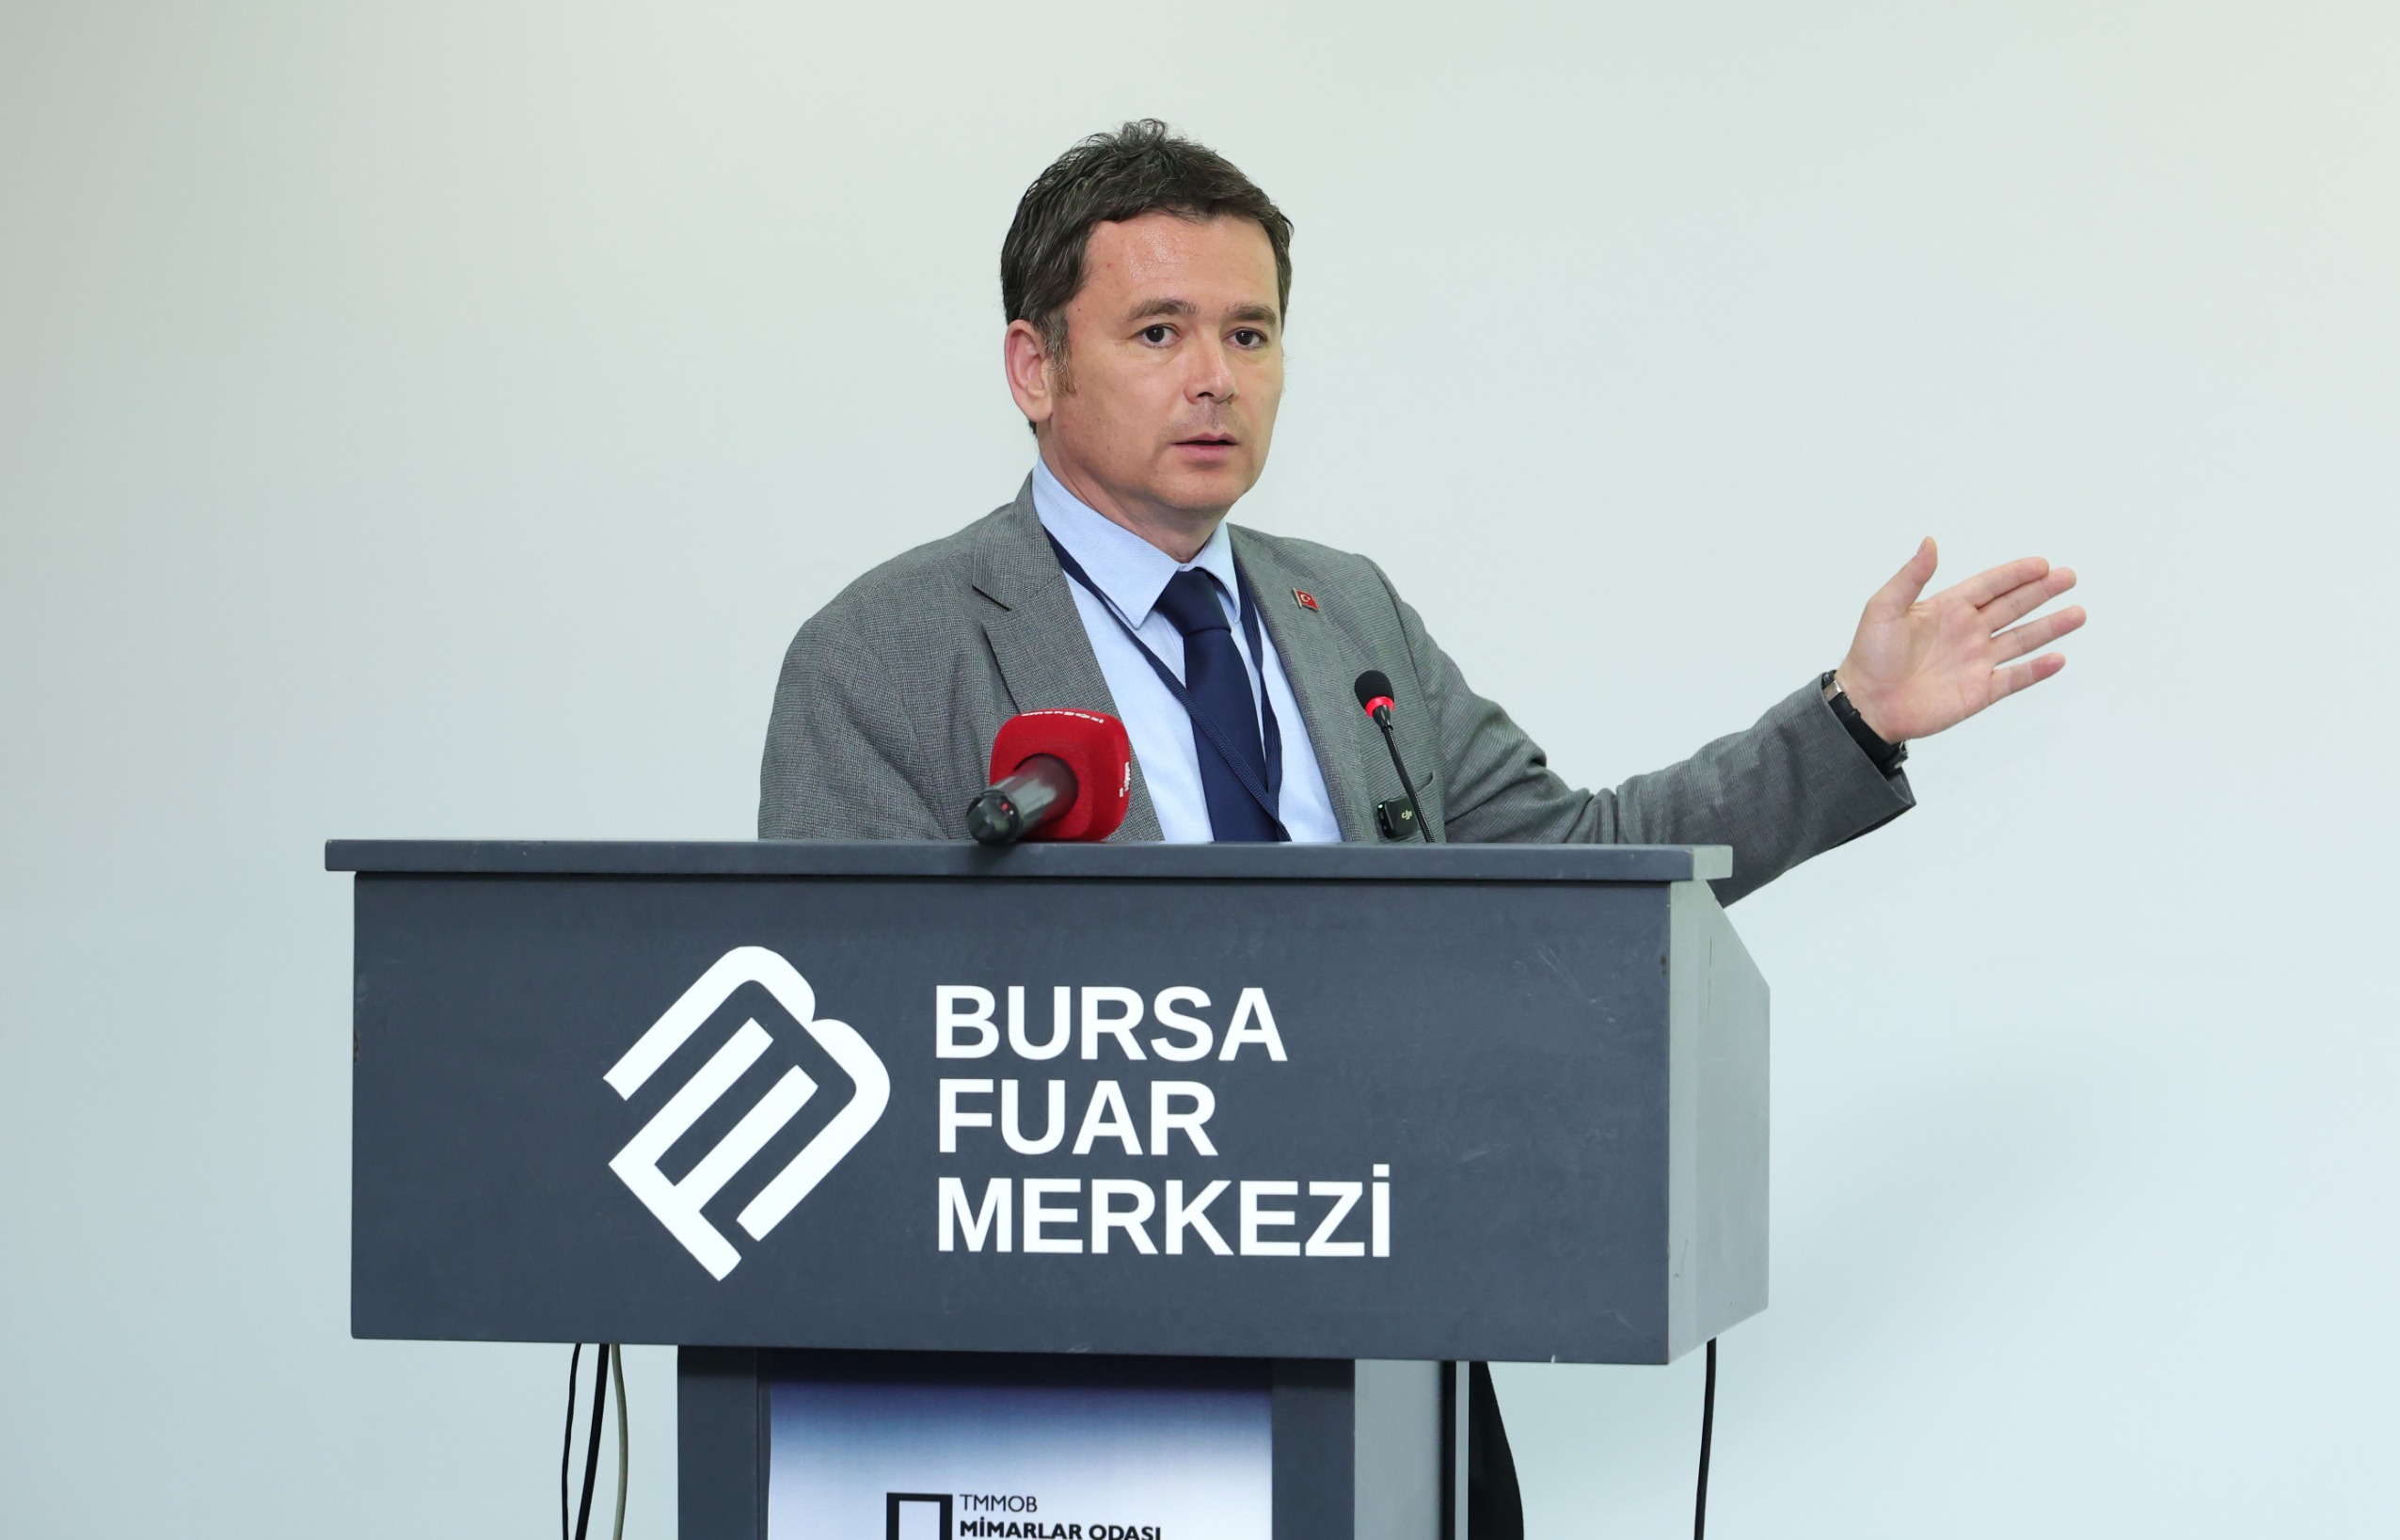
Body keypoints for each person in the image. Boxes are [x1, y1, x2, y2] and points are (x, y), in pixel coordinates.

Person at [758, 119, 2085, 1535]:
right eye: (1158, 331)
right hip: (1072, 1384)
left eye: (1251, 334)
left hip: (1390, 1335)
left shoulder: (1345, 614)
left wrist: (1850, 720)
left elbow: (1573, 866)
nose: (1216, 378)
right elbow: (852, 1046)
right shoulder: (888, 651)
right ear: (1035, 367)